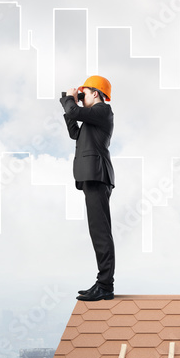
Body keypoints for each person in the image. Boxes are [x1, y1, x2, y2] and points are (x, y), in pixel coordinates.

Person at [60, 75, 115, 301]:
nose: (82, 98)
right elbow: (75, 131)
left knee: (101, 232)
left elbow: (74, 112)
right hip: (91, 177)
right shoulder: (91, 121)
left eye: (85, 93)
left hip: (97, 176)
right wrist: (68, 100)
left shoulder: (103, 110)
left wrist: (71, 99)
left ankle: (105, 285)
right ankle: (102, 283)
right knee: (97, 231)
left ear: (96, 93)